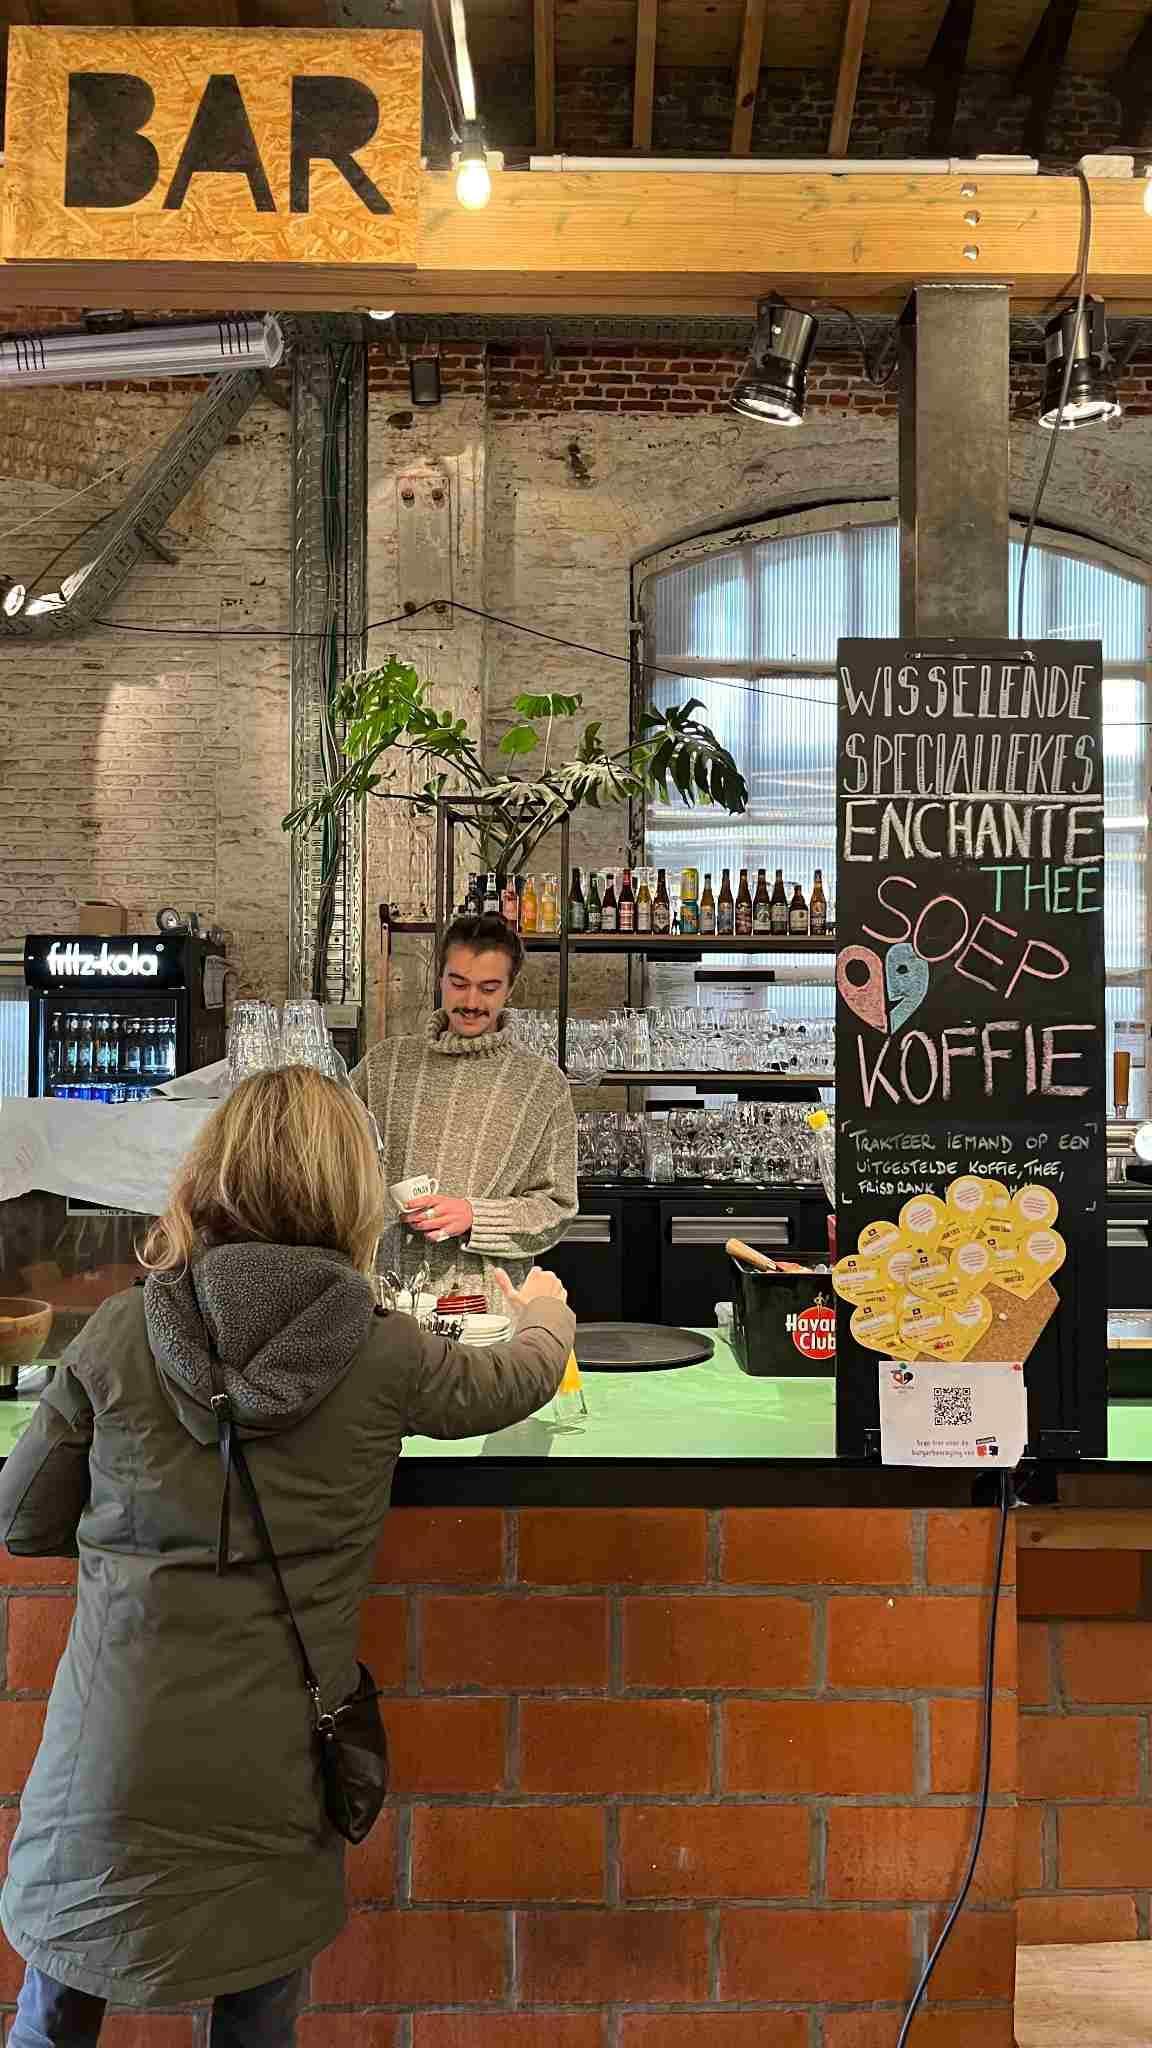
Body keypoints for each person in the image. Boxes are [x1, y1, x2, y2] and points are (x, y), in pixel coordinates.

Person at [0, 1065, 573, 2046]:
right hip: (277, 1769)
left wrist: (137, 1515)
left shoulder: (121, 1331)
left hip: (113, 1761)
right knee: (256, 2024)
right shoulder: (385, 1352)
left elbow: (21, 1521)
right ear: (350, 1191)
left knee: (54, 2019)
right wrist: (547, 1311)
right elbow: (512, 1383)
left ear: (206, 1175)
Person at [351, 914, 577, 1308]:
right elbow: (329, 1163)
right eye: (458, 984)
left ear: (510, 989)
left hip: (489, 1310)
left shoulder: (542, 1085)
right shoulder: (384, 1066)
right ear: (439, 978)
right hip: (383, 1302)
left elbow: (557, 1208)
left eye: (488, 988)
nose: (471, 1002)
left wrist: (475, 1215)